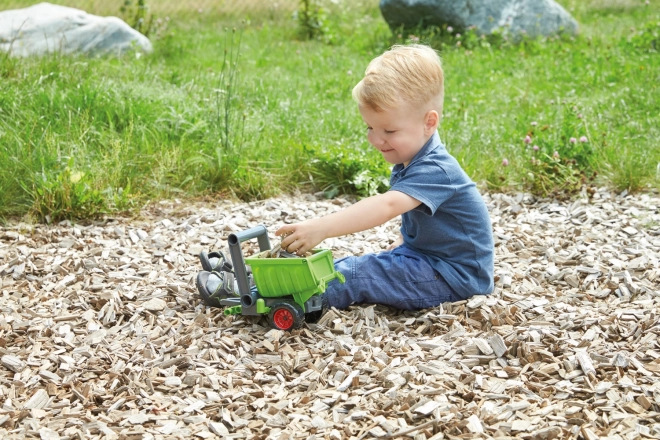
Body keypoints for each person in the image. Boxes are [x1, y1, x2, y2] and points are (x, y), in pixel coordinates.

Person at [197, 44, 494, 312]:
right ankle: (268, 277)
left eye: (389, 131)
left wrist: (323, 227)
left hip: (455, 277)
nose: (377, 140)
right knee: (343, 265)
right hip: (433, 261)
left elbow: (388, 205)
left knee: (354, 273)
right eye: (370, 128)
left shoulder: (437, 169)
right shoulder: (415, 154)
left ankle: (262, 295)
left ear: (429, 122)